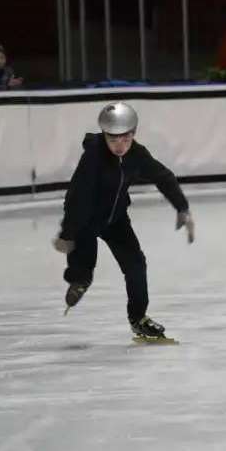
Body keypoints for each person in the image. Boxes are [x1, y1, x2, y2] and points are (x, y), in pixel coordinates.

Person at [53, 102, 195, 341]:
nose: (120, 145)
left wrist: (182, 207)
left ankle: (138, 318)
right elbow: (77, 196)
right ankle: (79, 280)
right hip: (86, 220)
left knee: (136, 265)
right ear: (104, 135)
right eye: (113, 139)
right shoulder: (93, 156)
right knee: (83, 266)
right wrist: (67, 234)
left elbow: (164, 176)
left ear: (134, 133)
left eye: (125, 139)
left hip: (116, 219)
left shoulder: (137, 154)